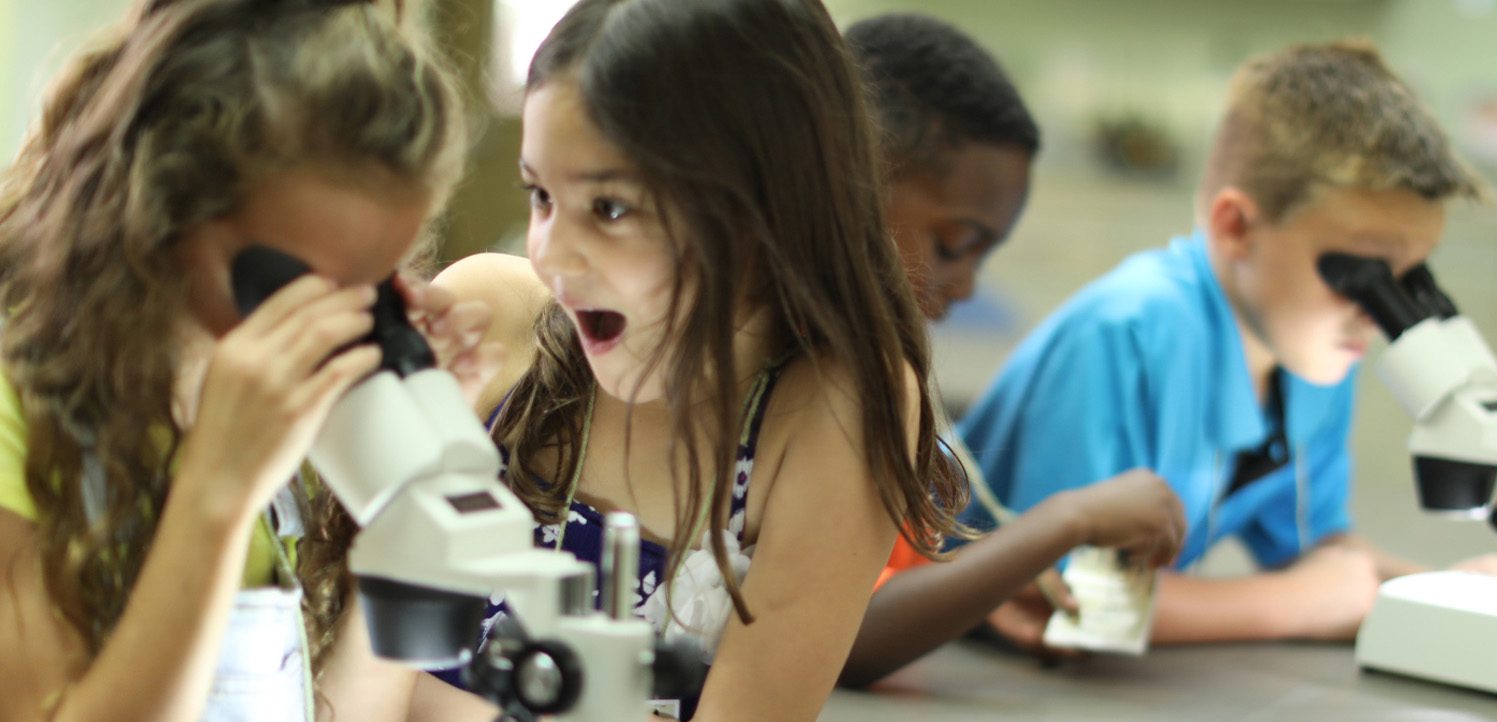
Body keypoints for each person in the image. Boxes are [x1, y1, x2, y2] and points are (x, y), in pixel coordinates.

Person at [429, 0, 969, 718]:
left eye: (611, 208)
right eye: (541, 196)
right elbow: (325, 659)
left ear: (760, 209)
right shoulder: (483, 320)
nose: (551, 255)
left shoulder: (830, 412)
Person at [0, 0, 504, 720]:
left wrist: (407, 504)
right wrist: (217, 492)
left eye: (372, 284)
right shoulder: (18, 400)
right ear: (163, 201)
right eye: (301, 283)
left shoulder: (236, 380)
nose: (334, 322)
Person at [959, 40, 1497, 647]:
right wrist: (1293, 605)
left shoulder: (1314, 356)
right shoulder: (1126, 332)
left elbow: (1316, 556)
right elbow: (1061, 601)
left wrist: (1442, 591)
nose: (1378, 316)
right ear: (1236, 227)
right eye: (1364, 273)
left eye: (1410, 279)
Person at [835, 13, 1187, 686]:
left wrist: (974, 601)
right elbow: (844, 637)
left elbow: (882, 582)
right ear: (850, 180)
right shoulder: (800, 379)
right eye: (955, 244)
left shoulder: (880, 377)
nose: (965, 285)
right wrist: (1068, 519)